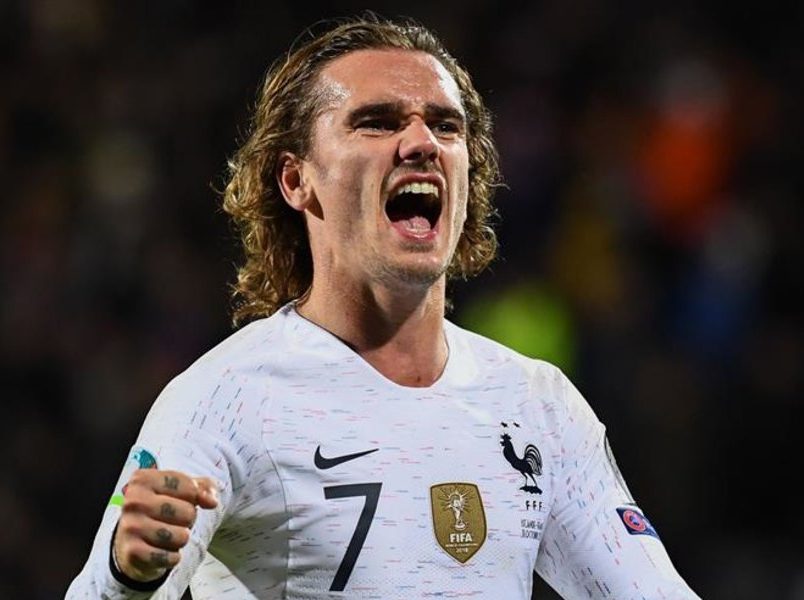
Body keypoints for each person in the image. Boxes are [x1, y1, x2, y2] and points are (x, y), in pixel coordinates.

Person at [67, 15, 701, 600]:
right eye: (377, 122)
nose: (422, 141)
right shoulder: (228, 395)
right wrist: (127, 573)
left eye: (445, 125)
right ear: (296, 179)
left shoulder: (538, 406)